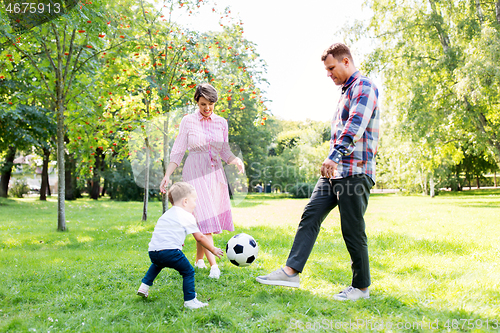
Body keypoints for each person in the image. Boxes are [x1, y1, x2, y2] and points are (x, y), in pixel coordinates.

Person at [256, 43, 380, 301]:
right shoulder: (345, 92)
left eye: (331, 68)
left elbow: (355, 126)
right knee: (310, 214)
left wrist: (333, 156)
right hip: (336, 172)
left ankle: (361, 288)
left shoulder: (364, 87)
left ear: (346, 61)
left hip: (355, 171)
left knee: (352, 228)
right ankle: (291, 272)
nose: (328, 74)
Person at [159, 83, 245, 279]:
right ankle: (214, 266)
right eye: (203, 104)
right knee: (205, 218)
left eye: (211, 104)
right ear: (196, 102)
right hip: (194, 172)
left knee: (203, 219)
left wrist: (235, 160)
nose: (207, 108)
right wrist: (167, 175)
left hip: (215, 174)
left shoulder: (221, 122)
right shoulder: (188, 121)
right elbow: (179, 150)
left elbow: (224, 151)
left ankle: (199, 261)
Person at [137, 182, 224, 309]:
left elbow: (165, 232)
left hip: (153, 251)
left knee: (157, 264)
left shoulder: (167, 214)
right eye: (194, 200)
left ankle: (144, 287)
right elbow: (199, 237)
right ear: (185, 201)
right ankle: (190, 301)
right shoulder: (187, 216)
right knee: (188, 271)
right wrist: (213, 249)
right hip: (170, 251)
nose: (195, 204)